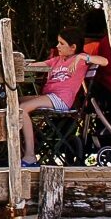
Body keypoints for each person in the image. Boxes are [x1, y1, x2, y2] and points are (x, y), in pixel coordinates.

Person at [19, 24, 100, 166]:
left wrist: (82, 57)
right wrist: (20, 65)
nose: (58, 46)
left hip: (61, 100)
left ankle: (30, 155)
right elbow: (37, 65)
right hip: (50, 97)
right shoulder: (56, 60)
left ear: (73, 47)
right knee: (14, 102)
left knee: (23, 108)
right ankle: (25, 145)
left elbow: (104, 61)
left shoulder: (79, 61)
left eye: (61, 43)